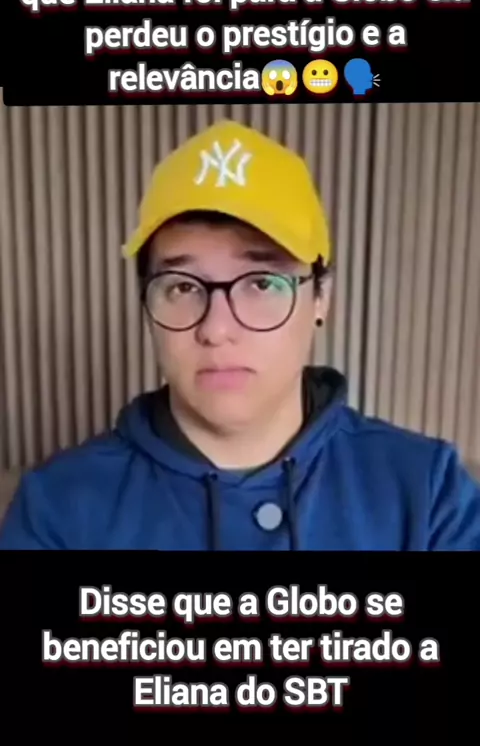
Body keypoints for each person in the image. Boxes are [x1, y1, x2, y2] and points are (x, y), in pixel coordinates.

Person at [1, 119, 480, 550]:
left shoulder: (429, 494)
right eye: (182, 287)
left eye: (262, 284)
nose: (216, 329)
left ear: (321, 298)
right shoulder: (57, 509)